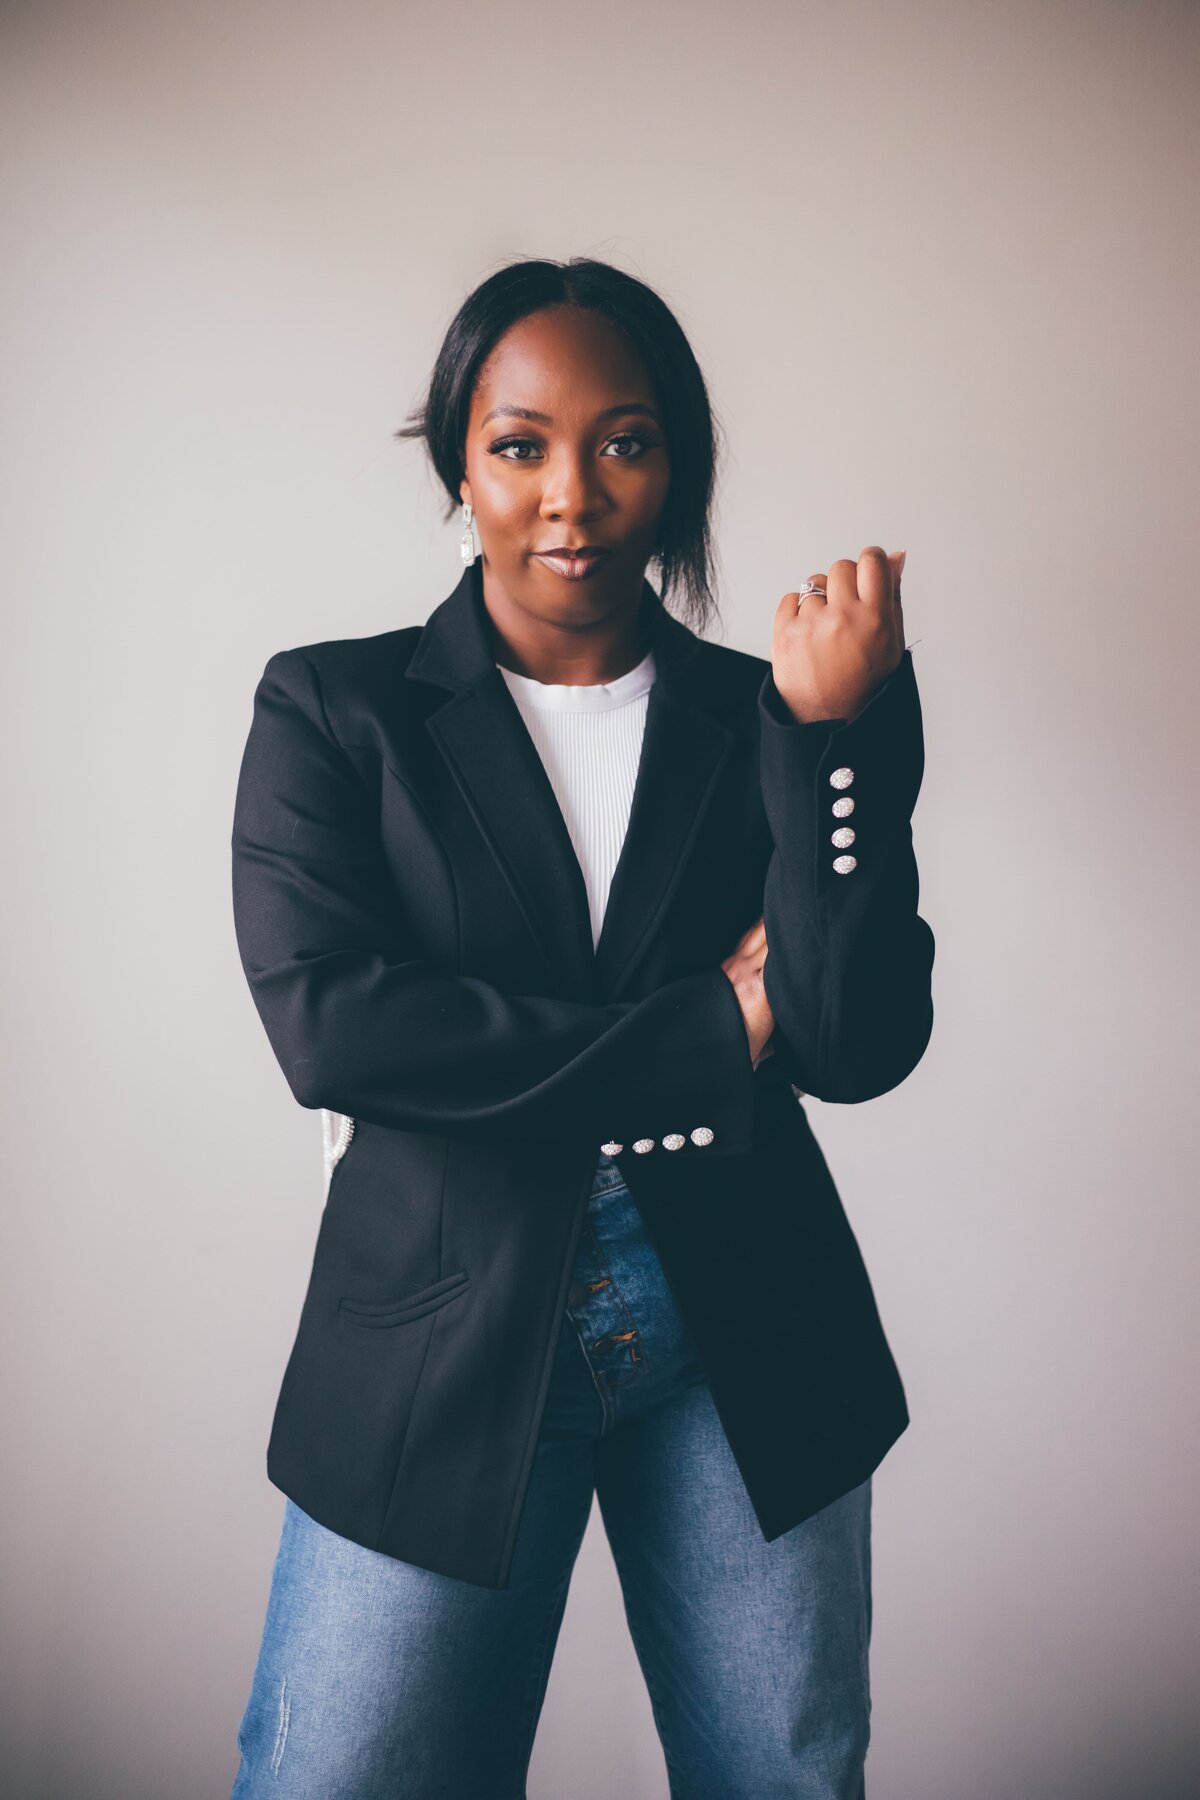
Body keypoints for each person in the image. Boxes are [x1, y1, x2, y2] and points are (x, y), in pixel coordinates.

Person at [228, 256, 935, 1799]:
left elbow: (854, 1040)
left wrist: (831, 742)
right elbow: (340, 1033)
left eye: (624, 442)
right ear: (458, 466)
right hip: (437, 1327)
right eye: (520, 444)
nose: (572, 494)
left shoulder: (777, 710)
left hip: (744, 1324)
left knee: (786, 1779)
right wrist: (706, 1030)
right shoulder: (334, 715)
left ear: (677, 467)